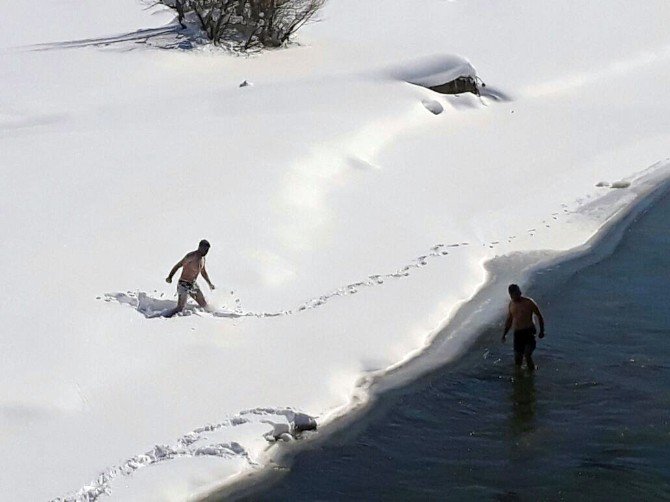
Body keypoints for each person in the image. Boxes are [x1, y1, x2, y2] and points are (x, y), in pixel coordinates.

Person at [164, 239, 216, 317]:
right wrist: (170, 277)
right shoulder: (191, 256)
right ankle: (163, 317)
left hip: (193, 285)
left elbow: (203, 272)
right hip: (183, 284)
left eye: (207, 250)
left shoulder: (203, 259)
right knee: (180, 308)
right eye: (205, 249)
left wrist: (209, 283)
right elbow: (179, 265)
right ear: (200, 247)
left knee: (204, 305)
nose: (206, 252)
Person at [502, 284, 545, 370]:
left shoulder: (529, 302)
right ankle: (519, 377)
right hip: (518, 333)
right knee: (518, 359)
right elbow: (509, 320)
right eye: (515, 294)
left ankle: (532, 373)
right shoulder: (511, 304)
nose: (518, 295)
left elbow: (539, 316)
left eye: (518, 293)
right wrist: (504, 334)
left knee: (527, 354)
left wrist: (542, 331)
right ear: (511, 294)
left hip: (529, 331)